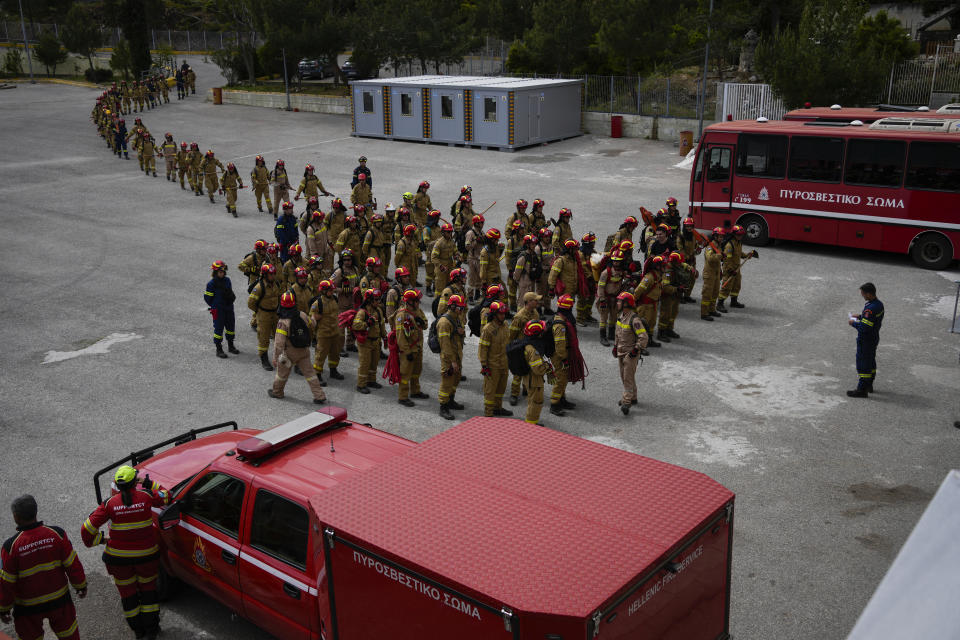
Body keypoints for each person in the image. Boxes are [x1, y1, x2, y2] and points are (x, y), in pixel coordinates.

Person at [82, 466, 170, 640]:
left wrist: (101, 540)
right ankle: (152, 629)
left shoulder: (109, 504)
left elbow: (86, 529)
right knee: (148, 591)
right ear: (133, 483)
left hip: (118, 561)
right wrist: (147, 482)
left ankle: (138, 631)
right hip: (147, 558)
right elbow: (166, 496)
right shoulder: (146, 496)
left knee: (128, 595)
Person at [1, 495, 86, 640]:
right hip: (60, 600)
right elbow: (72, 564)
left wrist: (4, 609)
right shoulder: (57, 534)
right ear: (36, 511)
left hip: (27, 608)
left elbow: (6, 583)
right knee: (69, 635)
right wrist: (81, 585)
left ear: (16, 517)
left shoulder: (10, 547)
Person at [268, 292, 326, 403]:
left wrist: (275, 358)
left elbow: (279, 344)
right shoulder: (302, 315)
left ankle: (277, 392)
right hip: (304, 350)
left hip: (289, 353)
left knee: (282, 375)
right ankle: (319, 396)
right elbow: (312, 324)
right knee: (310, 374)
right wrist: (314, 317)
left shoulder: (282, 322)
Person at [613, 291, 649, 415]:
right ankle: (633, 397)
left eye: (619, 301)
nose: (617, 303)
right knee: (625, 376)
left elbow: (643, 337)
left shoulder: (634, 319)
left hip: (630, 354)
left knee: (627, 378)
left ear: (626, 304)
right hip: (620, 351)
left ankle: (626, 402)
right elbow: (618, 333)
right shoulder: (621, 316)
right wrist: (615, 346)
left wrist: (636, 350)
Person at [847, 282, 884, 398]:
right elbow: (871, 320)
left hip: (866, 340)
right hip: (874, 338)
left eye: (863, 293)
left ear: (868, 294)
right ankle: (869, 385)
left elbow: (864, 328)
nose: (862, 295)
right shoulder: (878, 304)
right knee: (871, 361)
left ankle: (862, 389)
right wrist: (860, 316)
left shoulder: (870, 309)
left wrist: (854, 323)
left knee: (863, 364)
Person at [478, 300, 512, 417]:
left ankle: (498, 408)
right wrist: (484, 365)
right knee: (490, 391)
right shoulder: (488, 329)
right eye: (500, 314)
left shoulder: (506, 326)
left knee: (501, 389)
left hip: (504, 364)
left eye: (504, 314)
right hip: (492, 366)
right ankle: (488, 412)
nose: (503, 316)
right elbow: (483, 349)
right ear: (494, 314)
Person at [394, 289, 429, 406]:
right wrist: (406, 351)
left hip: (418, 348)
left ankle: (415, 391)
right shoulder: (401, 315)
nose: (419, 302)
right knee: (405, 374)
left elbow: (425, 324)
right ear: (410, 302)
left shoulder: (418, 311)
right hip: (408, 350)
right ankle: (402, 397)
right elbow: (400, 337)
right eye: (416, 301)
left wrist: (421, 323)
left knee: (416, 371)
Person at [508, 292, 542, 406]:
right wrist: (510, 349)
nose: (537, 302)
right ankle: (514, 394)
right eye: (535, 300)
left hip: (531, 346)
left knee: (529, 370)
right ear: (529, 302)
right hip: (520, 348)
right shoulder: (519, 317)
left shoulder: (535, 313)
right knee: (518, 373)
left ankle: (525, 389)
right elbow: (511, 334)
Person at [549, 294, 580, 416]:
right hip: (559, 355)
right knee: (561, 378)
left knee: (564, 377)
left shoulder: (562, 319)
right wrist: (564, 359)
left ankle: (562, 399)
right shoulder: (560, 324)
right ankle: (554, 404)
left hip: (563, 353)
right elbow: (560, 345)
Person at [437, 294, 467, 420]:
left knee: (456, 378)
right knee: (447, 381)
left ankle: (451, 400)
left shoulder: (456, 318)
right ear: (453, 306)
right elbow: (445, 345)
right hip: (449, 357)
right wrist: (453, 361)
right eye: (459, 307)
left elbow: (459, 334)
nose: (461, 310)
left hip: (457, 354)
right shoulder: (444, 322)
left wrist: (461, 332)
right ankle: (443, 406)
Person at [248, 263, 282, 371]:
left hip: (275, 314)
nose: (273, 276)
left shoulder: (276, 284)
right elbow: (250, 303)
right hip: (264, 315)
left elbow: (279, 296)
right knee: (264, 338)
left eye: (273, 274)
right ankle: (264, 358)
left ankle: (280, 357)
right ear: (265, 275)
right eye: (271, 274)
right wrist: (259, 311)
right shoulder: (258, 288)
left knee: (279, 337)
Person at [352, 289, 386, 394]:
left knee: (374, 362)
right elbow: (355, 325)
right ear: (369, 300)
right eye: (376, 299)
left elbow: (381, 325)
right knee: (365, 363)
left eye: (379, 299)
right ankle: (361, 385)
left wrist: (385, 337)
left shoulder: (378, 311)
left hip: (376, 341)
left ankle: (371, 381)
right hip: (365, 343)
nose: (378, 302)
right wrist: (367, 323)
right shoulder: (362, 312)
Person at [717, 225, 757, 311]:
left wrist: (747, 255)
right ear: (734, 234)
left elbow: (739, 253)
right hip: (729, 269)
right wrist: (730, 270)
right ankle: (720, 304)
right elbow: (727, 259)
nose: (740, 236)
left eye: (741, 235)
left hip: (736, 268)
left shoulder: (738, 243)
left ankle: (733, 302)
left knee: (736, 285)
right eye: (738, 235)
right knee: (726, 286)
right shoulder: (729, 245)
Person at [204, 260, 239, 359]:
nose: (222, 273)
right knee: (218, 329)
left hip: (228, 308)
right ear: (215, 272)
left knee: (230, 327)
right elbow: (207, 298)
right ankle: (219, 349)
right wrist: (215, 306)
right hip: (218, 310)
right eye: (220, 272)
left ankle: (231, 346)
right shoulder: (211, 284)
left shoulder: (227, 280)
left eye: (223, 272)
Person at [311, 279, 344, 384]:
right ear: (324, 291)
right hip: (323, 334)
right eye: (330, 290)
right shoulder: (318, 303)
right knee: (320, 355)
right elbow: (310, 317)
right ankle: (317, 374)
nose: (332, 292)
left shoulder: (334, 299)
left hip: (335, 332)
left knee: (335, 353)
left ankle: (333, 371)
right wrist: (315, 317)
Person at [520, 320, 551, 425]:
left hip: (529, 379)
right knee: (536, 402)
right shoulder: (534, 350)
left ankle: (531, 422)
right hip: (534, 380)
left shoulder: (528, 344)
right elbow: (538, 369)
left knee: (531, 401)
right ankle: (531, 426)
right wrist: (547, 366)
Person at [633, 255, 665, 348]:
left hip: (653, 305)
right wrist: (633, 303)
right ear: (658, 267)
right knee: (642, 325)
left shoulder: (659, 276)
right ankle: (639, 345)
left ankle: (649, 340)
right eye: (663, 266)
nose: (665, 268)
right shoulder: (649, 277)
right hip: (645, 306)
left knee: (651, 324)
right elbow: (638, 291)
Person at [597, 250, 627, 345]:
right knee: (603, 318)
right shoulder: (606, 273)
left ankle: (611, 334)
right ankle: (603, 337)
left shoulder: (622, 272)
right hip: (605, 298)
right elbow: (600, 287)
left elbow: (622, 285)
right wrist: (602, 300)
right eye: (614, 261)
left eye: (618, 261)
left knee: (614, 317)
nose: (616, 263)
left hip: (615, 299)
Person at [700, 227, 724, 320]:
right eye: (720, 237)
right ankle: (704, 313)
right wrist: (720, 255)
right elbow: (710, 258)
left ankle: (711, 310)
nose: (721, 238)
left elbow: (718, 260)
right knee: (707, 294)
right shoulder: (710, 246)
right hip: (709, 274)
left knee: (715, 293)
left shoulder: (718, 246)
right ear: (715, 237)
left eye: (722, 237)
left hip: (716, 273)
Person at [430, 223, 459, 296]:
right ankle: (438, 303)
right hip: (441, 267)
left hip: (450, 265)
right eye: (448, 232)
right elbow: (433, 257)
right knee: (440, 287)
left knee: (450, 285)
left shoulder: (452, 241)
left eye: (451, 232)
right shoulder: (439, 243)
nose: (450, 233)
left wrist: (456, 255)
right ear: (443, 232)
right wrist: (440, 266)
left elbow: (455, 251)